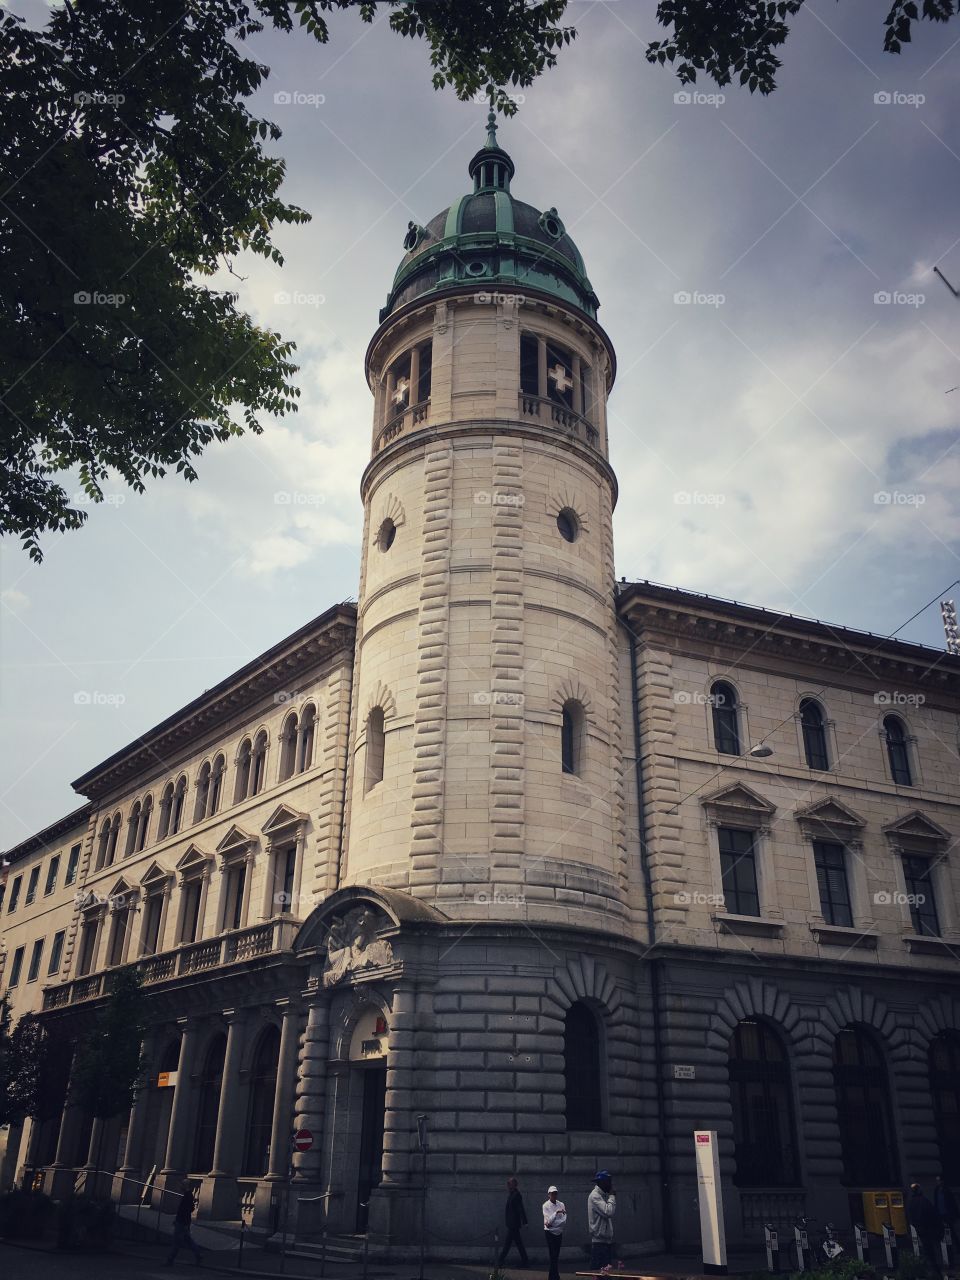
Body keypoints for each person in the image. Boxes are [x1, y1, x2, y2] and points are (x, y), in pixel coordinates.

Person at [907, 1182, 944, 1280]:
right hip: (929, 1230)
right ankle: (936, 1274)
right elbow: (933, 1215)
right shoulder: (924, 1201)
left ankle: (931, 1272)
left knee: (927, 1252)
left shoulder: (911, 1203)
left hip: (920, 1230)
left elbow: (911, 1218)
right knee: (933, 1253)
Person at [165, 1179, 203, 1267]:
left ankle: (170, 1259)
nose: (180, 1186)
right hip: (183, 1221)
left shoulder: (187, 1196)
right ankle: (198, 1255)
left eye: (182, 1184)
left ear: (186, 1186)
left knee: (176, 1241)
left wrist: (181, 1222)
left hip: (182, 1222)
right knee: (187, 1240)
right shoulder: (188, 1195)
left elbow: (185, 1210)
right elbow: (190, 1208)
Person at [587, 1171, 616, 1271]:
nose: (611, 1185)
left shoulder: (601, 1195)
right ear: (602, 1183)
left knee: (605, 1273)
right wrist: (612, 1196)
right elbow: (608, 1212)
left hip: (605, 1242)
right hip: (599, 1243)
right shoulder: (595, 1196)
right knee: (598, 1273)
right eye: (609, 1182)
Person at [498, 1176, 529, 1268]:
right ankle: (525, 1262)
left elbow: (520, 1209)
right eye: (508, 1183)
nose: (508, 1185)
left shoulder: (516, 1195)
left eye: (510, 1183)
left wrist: (525, 1221)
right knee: (518, 1244)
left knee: (507, 1244)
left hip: (514, 1224)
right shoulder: (511, 1194)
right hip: (511, 1224)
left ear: (515, 1185)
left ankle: (499, 1261)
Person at [543, 1185, 567, 1280]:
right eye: (552, 1193)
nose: (554, 1195)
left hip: (558, 1232)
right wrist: (556, 1213)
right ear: (549, 1194)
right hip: (549, 1233)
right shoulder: (545, 1205)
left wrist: (554, 1223)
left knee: (556, 1255)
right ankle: (554, 1277)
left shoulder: (561, 1204)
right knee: (553, 1254)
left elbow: (563, 1221)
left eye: (555, 1193)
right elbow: (548, 1223)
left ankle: (553, 1276)